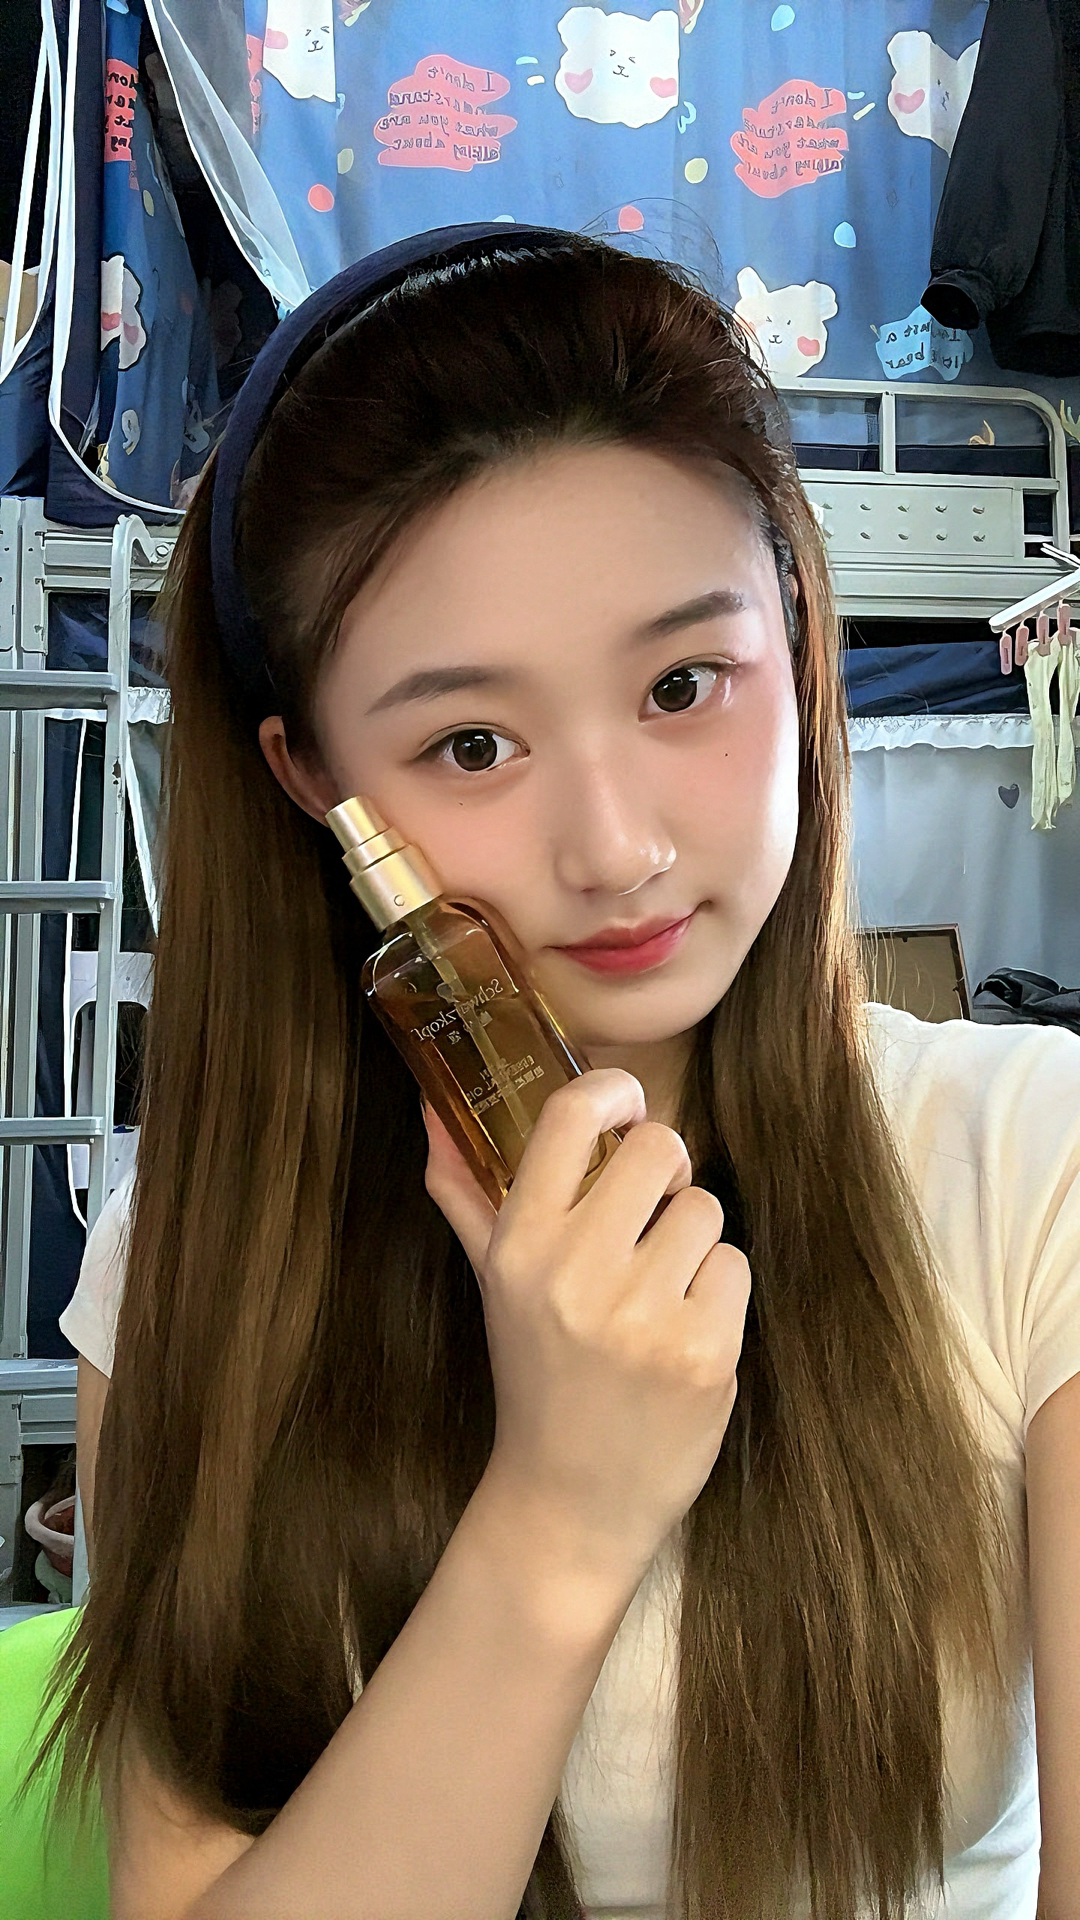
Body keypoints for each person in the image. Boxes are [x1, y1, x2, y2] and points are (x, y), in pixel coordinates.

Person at [36, 224, 1080, 1920]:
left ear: (797, 636)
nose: (616, 850)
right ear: (315, 786)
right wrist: (559, 1516)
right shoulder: (195, 1246)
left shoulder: (1032, 1162)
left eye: (683, 684)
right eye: (473, 744)